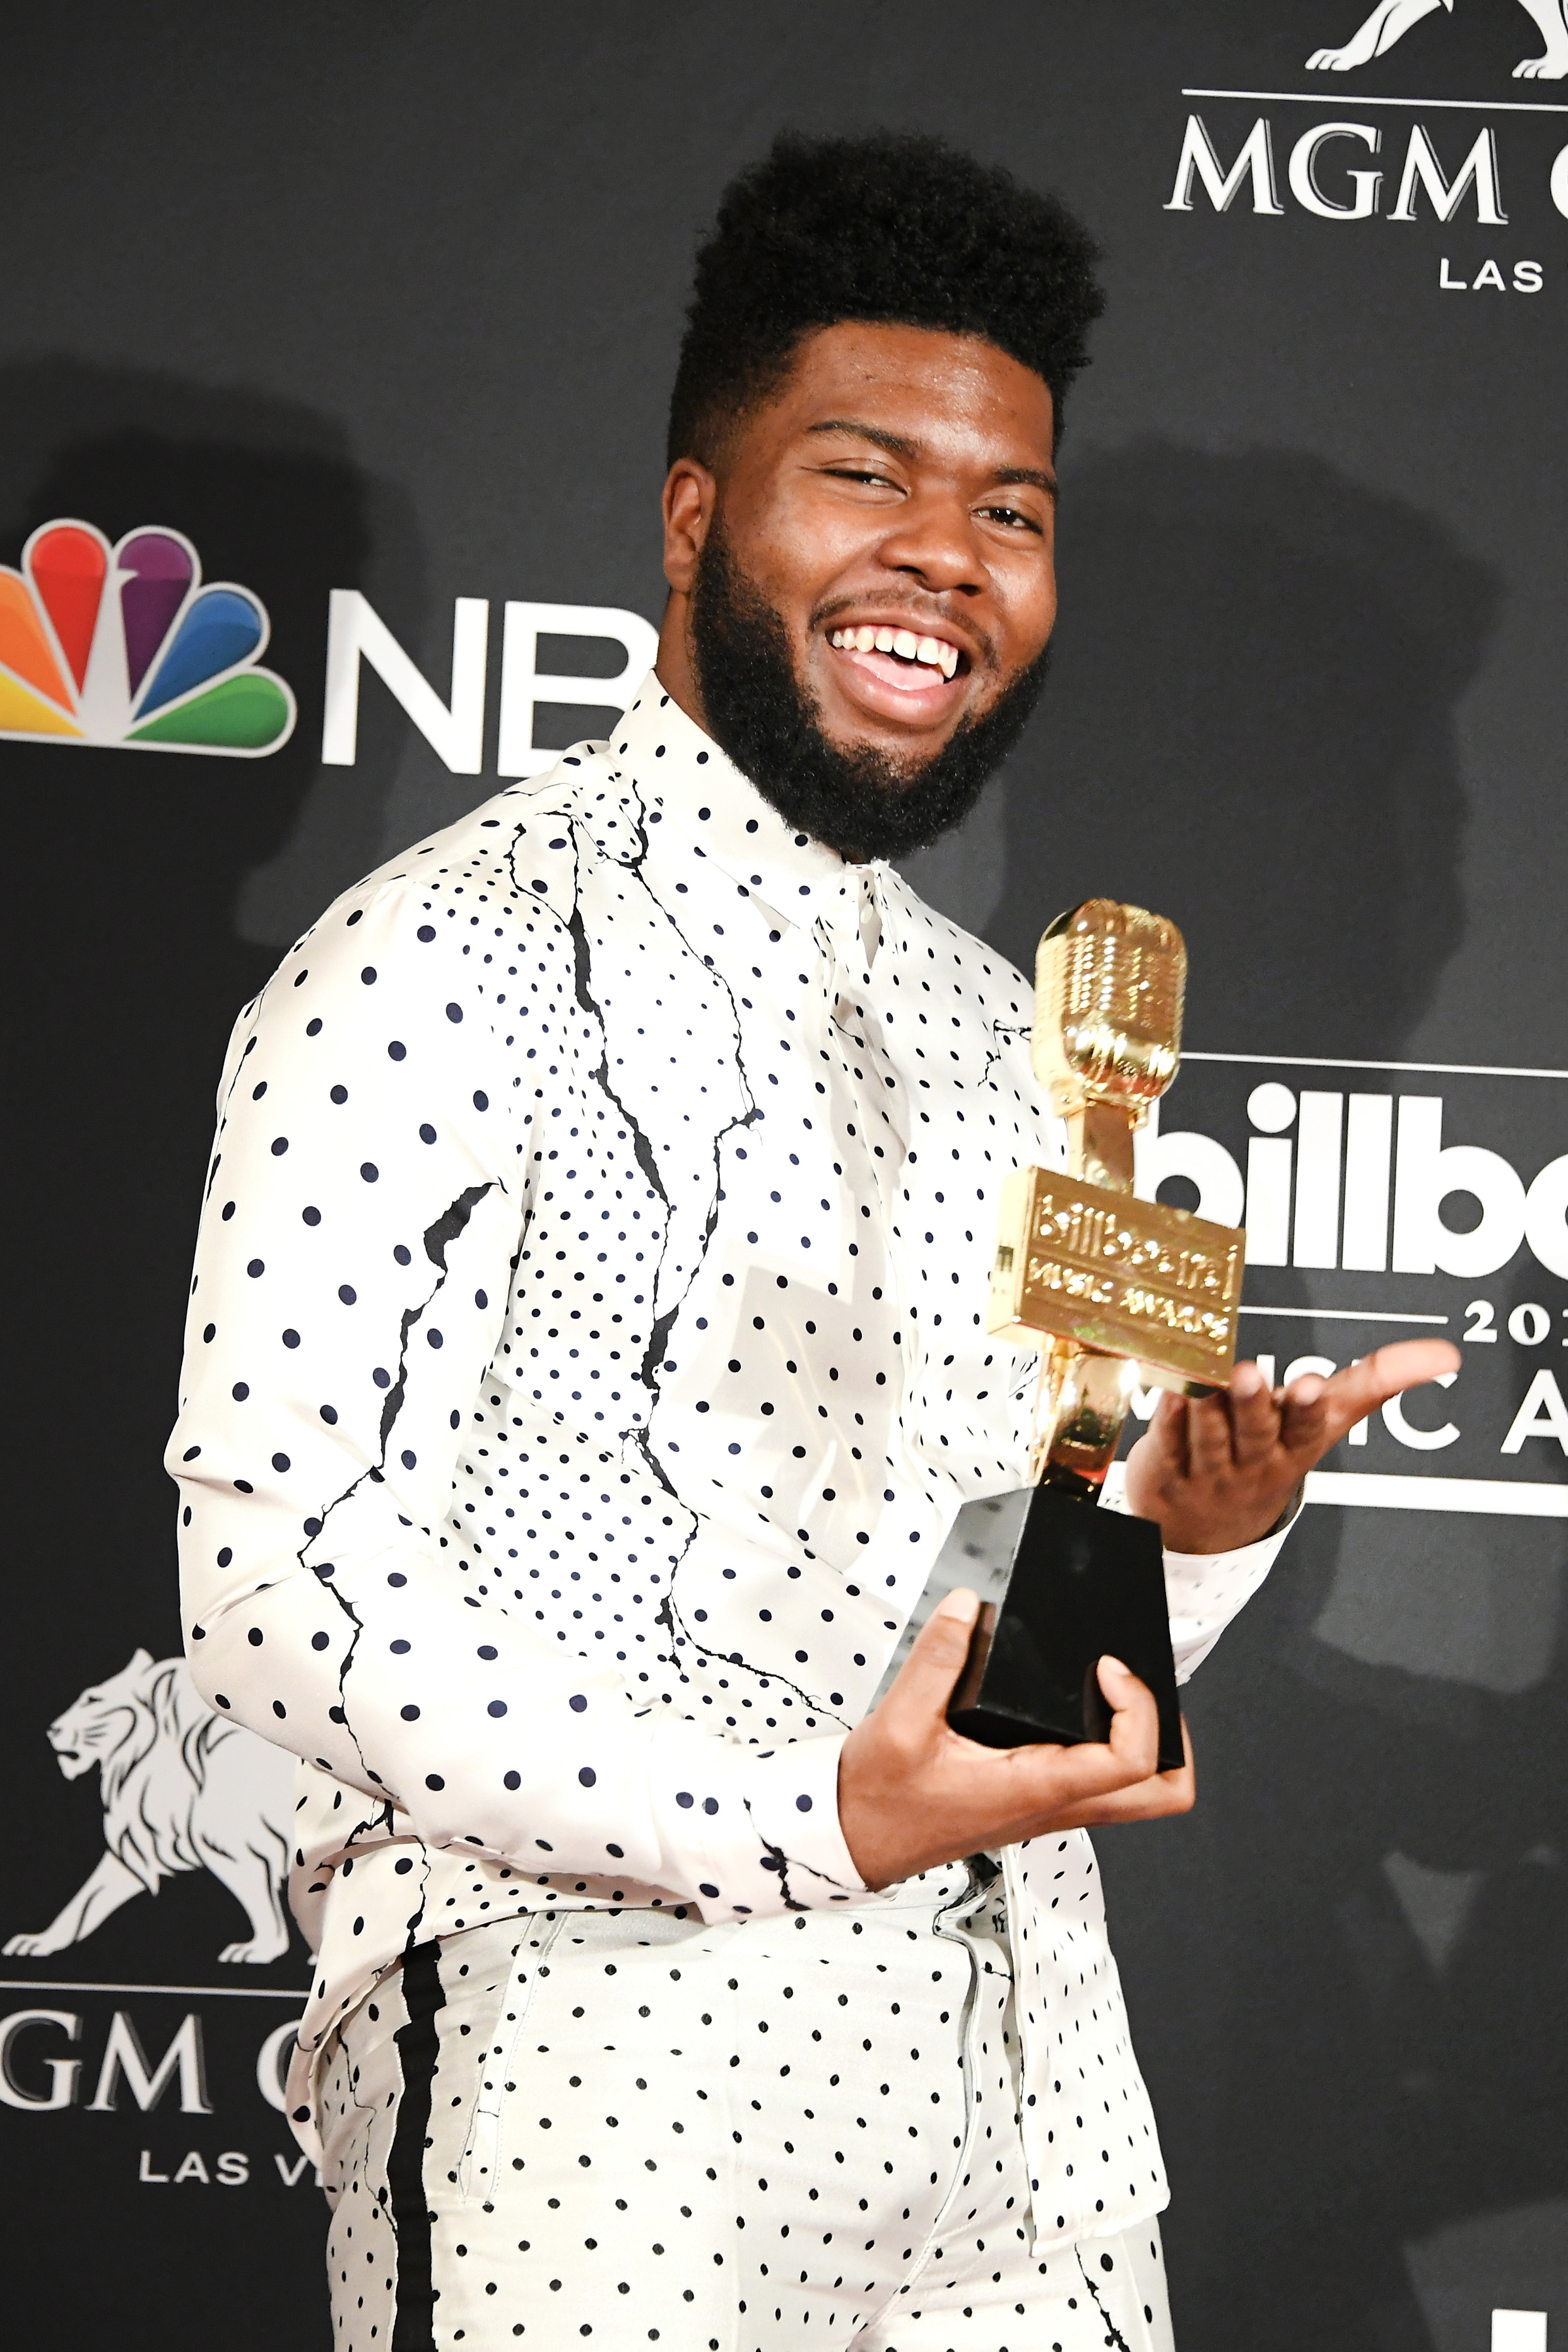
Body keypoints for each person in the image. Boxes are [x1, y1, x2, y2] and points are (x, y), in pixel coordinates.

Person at [168, 131, 1456, 2352]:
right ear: (695, 515)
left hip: (1024, 2112)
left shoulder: (1024, 1046)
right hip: (590, 2081)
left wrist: (1188, 1535)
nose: (944, 562)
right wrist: (797, 1813)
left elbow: (999, 1625)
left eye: (1012, 511)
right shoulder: (440, 958)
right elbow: (268, 1590)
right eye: (868, 477)